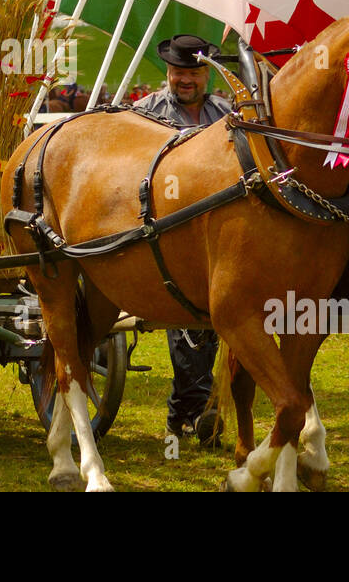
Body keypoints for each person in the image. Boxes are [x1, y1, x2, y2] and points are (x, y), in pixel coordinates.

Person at [133, 34, 231, 446]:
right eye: (178, 72)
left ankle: (191, 411)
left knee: (215, 320)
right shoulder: (143, 114)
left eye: (192, 72)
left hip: (219, 225)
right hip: (164, 226)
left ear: (205, 74)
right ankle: (191, 412)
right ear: (168, 74)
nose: (184, 80)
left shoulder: (227, 113)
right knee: (191, 321)